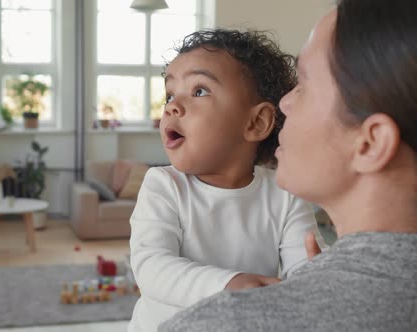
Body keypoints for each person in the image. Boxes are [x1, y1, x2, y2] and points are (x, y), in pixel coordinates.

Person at [160, 0, 417, 331]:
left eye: (304, 84)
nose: (285, 102)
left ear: (370, 143)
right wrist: (318, 279)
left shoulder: (222, 324)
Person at [128, 29, 324, 331]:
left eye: (199, 91)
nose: (172, 106)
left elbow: (305, 267)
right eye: (170, 94)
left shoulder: (285, 193)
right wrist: (229, 284)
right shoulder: (163, 185)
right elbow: (152, 268)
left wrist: (316, 277)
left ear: (256, 122)